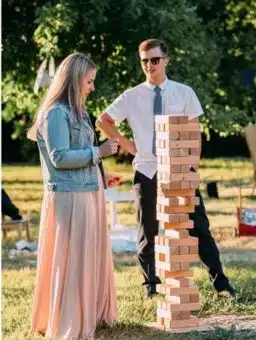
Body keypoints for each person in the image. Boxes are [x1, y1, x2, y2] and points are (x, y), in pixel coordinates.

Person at [96, 39, 237, 299]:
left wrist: (193, 166)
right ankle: (151, 286)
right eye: (145, 61)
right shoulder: (132, 95)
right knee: (147, 231)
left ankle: (221, 285)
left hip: (180, 170)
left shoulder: (184, 93)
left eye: (154, 60)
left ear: (166, 61)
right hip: (147, 170)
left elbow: (195, 133)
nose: (149, 65)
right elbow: (103, 120)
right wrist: (128, 144)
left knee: (200, 228)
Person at [29, 52, 119, 340]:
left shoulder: (78, 113)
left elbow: (77, 156)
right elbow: (59, 158)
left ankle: (89, 314)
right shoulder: (56, 113)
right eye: (89, 81)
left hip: (87, 191)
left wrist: (102, 175)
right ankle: (70, 321)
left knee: (87, 256)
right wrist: (99, 153)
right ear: (74, 79)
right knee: (73, 260)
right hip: (68, 197)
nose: (92, 87)